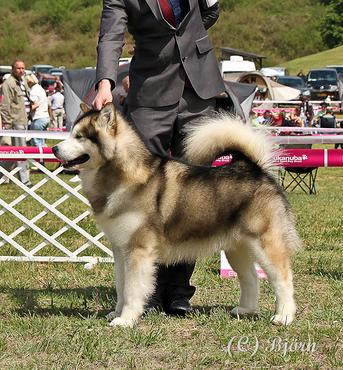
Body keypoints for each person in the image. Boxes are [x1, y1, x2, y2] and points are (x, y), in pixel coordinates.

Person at [93, 0, 225, 315]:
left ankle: (179, 291)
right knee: (145, 194)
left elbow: (209, 12)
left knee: (192, 195)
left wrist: (189, 41)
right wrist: (105, 83)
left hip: (199, 89)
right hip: (150, 91)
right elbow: (111, 36)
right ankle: (148, 289)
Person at [0, 59, 31, 186]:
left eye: (23, 68)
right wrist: (7, 123)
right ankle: (25, 180)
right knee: (21, 151)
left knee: (11, 151)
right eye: (18, 68)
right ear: (13, 69)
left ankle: (3, 177)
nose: (21, 70)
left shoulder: (22, 82)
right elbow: (5, 105)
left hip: (24, 120)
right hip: (15, 122)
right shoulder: (8, 84)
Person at [26, 74, 51, 148]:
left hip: (38, 118)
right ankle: (44, 157)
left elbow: (35, 105)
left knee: (36, 141)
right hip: (45, 117)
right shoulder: (40, 89)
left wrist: (26, 110)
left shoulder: (33, 91)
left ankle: (38, 158)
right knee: (42, 141)